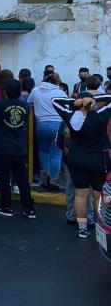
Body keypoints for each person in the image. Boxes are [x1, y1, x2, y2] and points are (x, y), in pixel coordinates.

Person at [52, 85, 111, 238]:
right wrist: (93, 100)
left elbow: (56, 101)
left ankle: (82, 228)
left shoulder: (70, 116)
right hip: (97, 159)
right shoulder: (99, 115)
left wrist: (75, 103)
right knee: (99, 194)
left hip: (76, 158)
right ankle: (101, 224)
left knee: (80, 194)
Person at [0, 80, 36, 219]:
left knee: (3, 178)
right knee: (22, 179)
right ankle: (29, 208)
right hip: (19, 146)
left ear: (5, 92)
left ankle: (6, 206)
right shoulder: (26, 106)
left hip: (2, 146)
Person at [27, 72, 66, 192]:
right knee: (56, 153)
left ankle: (46, 178)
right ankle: (53, 181)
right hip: (57, 124)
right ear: (57, 82)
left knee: (43, 151)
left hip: (41, 124)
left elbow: (30, 104)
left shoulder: (35, 90)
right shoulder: (60, 92)